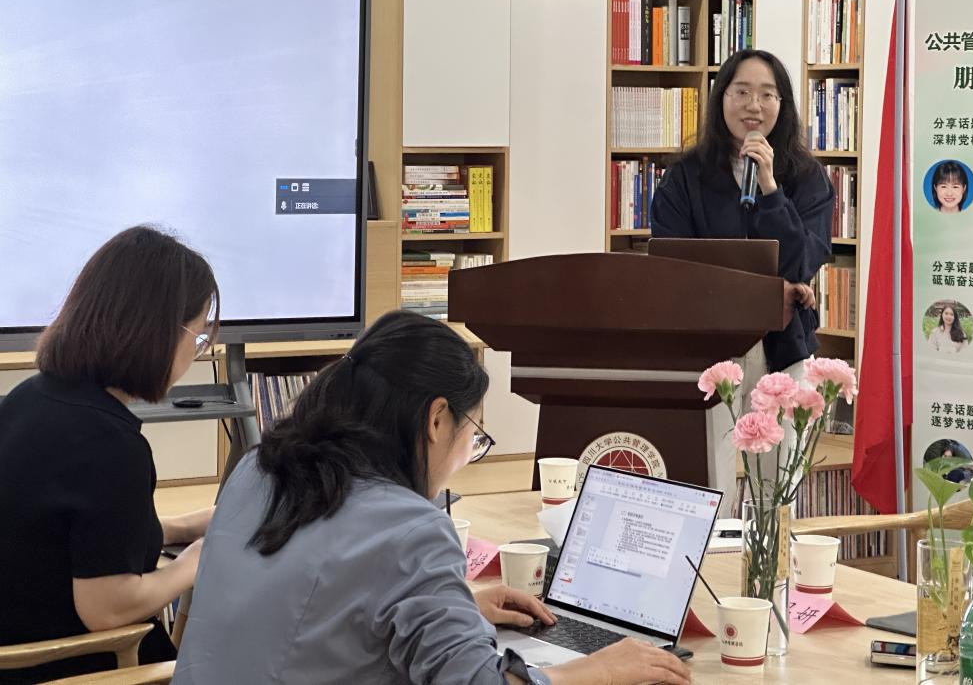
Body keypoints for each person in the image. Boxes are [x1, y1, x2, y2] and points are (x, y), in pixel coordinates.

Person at [173, 311, 690, 685]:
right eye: (475, 436)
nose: (468, 455)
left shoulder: (256, 470)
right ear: (437, 419)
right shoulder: (411, 529)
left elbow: (315, 607)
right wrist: (597, 669)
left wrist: (456, 607)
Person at [0, 226, 219, 683]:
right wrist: (196, 559)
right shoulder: (110, 444)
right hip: (67, 666)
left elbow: (66, 535)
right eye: (199, 336)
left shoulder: (30, 398)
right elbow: (108, 609)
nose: (197, 352)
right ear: (162, 335)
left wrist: (182, 526)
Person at [651, 49, 833, 375]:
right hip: (703, 348)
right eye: (742, 92)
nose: (754, 105)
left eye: (767, 94)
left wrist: (770, 189)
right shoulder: (683, 176)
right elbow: (672, 265)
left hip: (784, 349)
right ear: (721, 97)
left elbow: (803, 262)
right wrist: (768, 293)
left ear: (782, 104)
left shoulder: (809, 177)